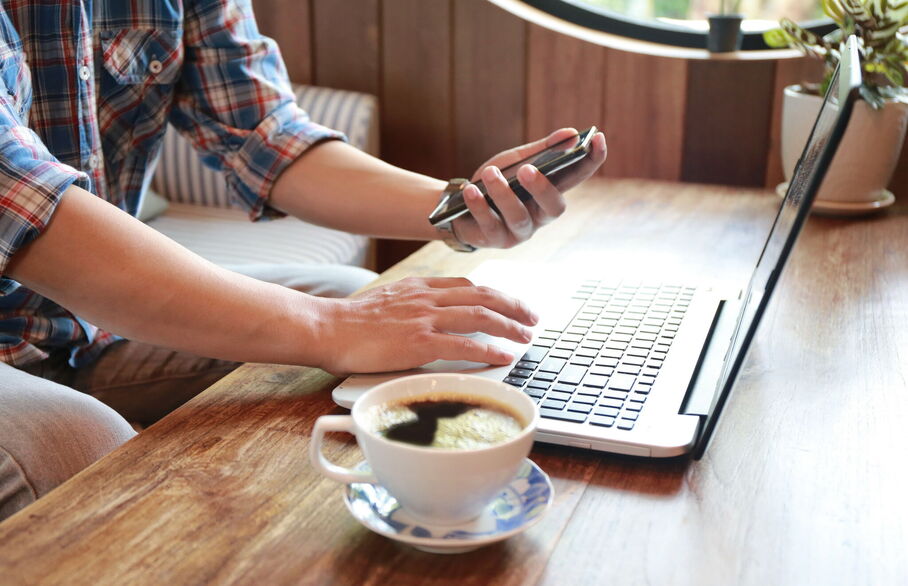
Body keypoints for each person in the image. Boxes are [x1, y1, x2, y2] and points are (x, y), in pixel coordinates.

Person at [0, 1, 607, 521]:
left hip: (80, 330)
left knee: (365, 308)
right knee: (80, 444)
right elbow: (24, 203)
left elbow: (266, 133)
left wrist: (457, 208)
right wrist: (332, 327)